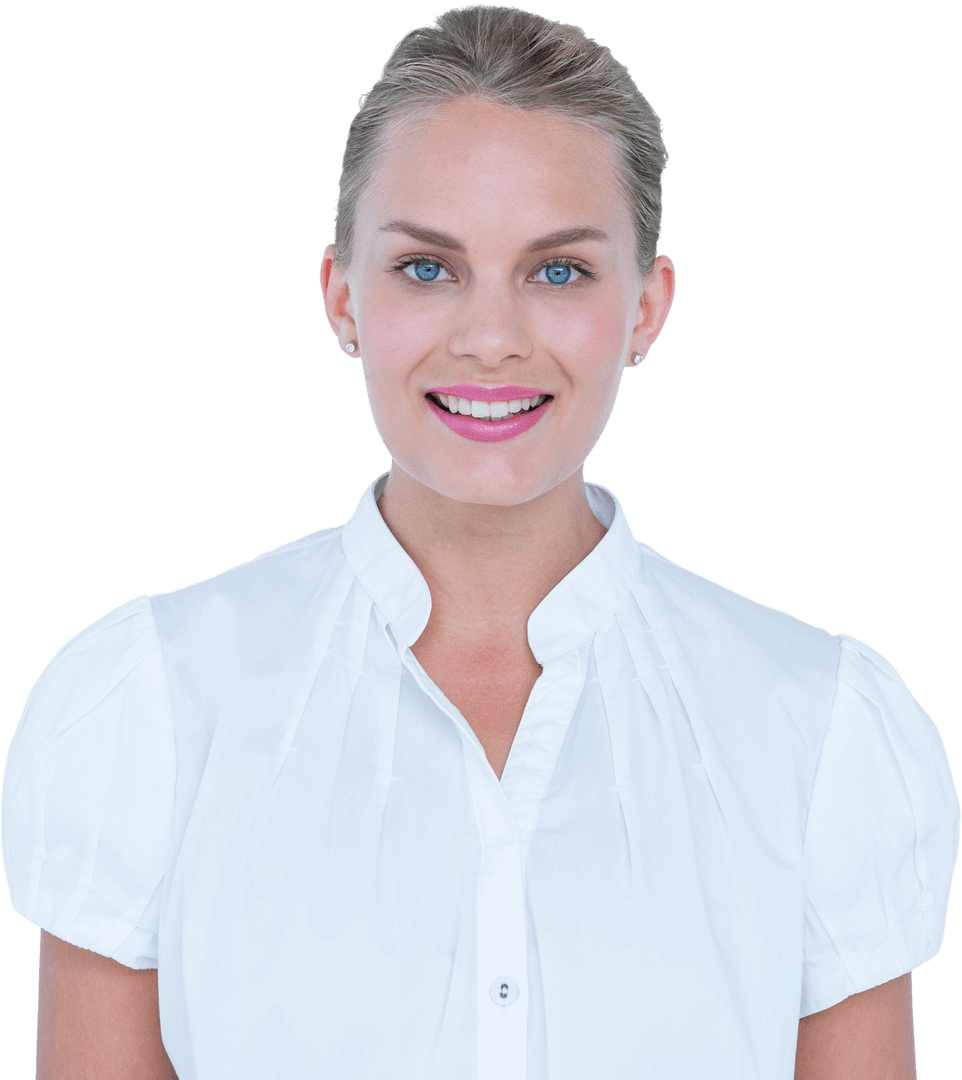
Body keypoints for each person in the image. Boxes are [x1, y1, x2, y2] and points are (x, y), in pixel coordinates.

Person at [2, 6, 959, 1078]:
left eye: (557, 272)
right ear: (341, 297)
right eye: (425, 268)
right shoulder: (155, 704)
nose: (491, 337)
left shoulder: (816, 727)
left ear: (645, 308)